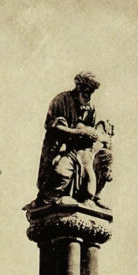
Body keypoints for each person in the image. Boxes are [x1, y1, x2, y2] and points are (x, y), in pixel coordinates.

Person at [35, 72, 113, 206]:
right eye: (86, 92)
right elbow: (54, 128)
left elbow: (91, 129)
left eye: (91, 93)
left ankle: (91, 196)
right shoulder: (61, 101)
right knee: (60, 174)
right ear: (78, 88)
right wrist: (78, 132)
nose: (88, 97)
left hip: (81, 151)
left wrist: (94, 135)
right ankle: (54, 197)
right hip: (60, 148)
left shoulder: (90, 107)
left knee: (102, 158)